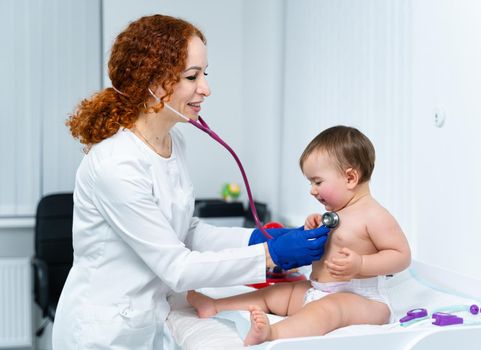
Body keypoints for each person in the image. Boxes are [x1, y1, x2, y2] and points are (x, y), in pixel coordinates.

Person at [52, 14, 329, 350]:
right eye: (192, 76)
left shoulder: (173, 143)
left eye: (204, 74)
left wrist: (259, 238)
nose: (206, 89)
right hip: (103, 330)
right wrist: (269, 256)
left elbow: (186, 232)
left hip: (147, 317)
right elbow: (177, 268)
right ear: (152, 82)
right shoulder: (116, 164)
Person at [187, 125, 412, 346]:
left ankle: (272, 333)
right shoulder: (336, 211)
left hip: (363, 300)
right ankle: (216, 306)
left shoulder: (374, 215)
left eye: (318, 182)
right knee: (276, 293)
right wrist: (313, 227)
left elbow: (401, 256)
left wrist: (361, 264)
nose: (312, 190)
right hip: (319, 289)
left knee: (328, 310)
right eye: (310, 182)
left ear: (350, 178)